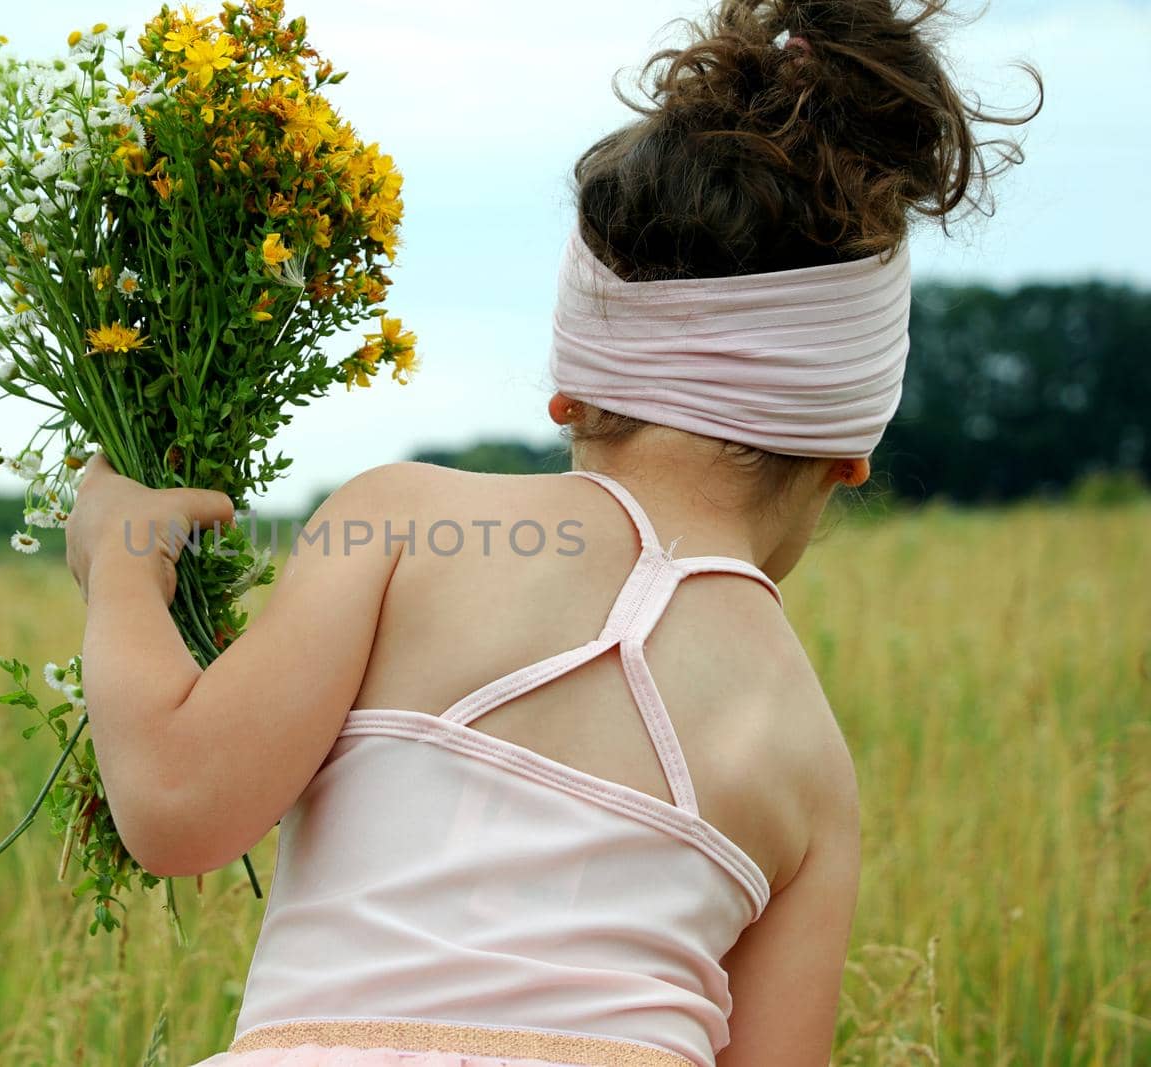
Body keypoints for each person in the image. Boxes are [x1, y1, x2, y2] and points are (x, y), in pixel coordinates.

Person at [63, 1, 1040, 1063]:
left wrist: (121, 572)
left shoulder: (404, 522)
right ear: (846, 454)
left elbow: (172, 805)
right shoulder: (810, 760)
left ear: (570, 390)